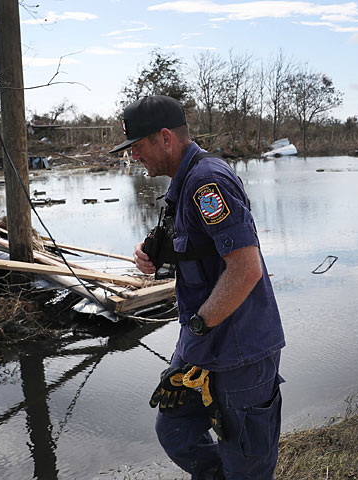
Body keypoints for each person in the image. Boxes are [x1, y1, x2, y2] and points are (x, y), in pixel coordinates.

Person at [110, 95, 286, 479]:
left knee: (248, 462)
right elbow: (201, 252)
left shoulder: (208, 182)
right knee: (175, 428)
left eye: (137, 147)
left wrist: (198, 328)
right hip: (203, 342)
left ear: (165, 138)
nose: (135, 156)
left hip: (240, 348)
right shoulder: (184, 182)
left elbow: (245, 270)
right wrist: (154, 254)